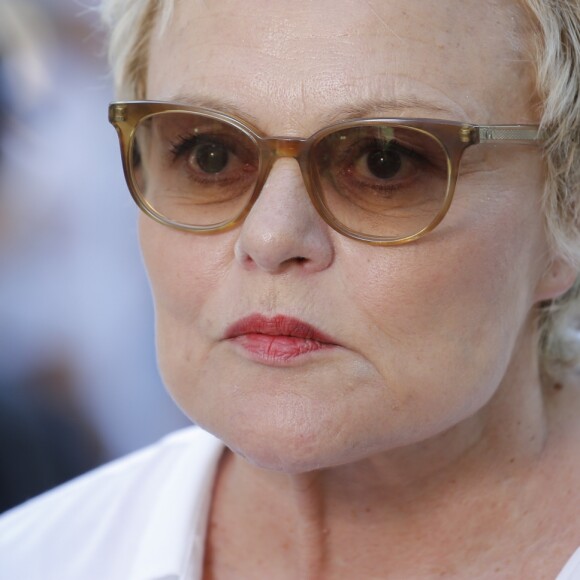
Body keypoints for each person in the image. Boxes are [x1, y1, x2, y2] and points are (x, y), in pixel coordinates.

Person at [1, 0, 580, 578]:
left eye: (385, 163)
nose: (272, 237)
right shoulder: (35, 558)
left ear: (567, 212)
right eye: (210, 155)